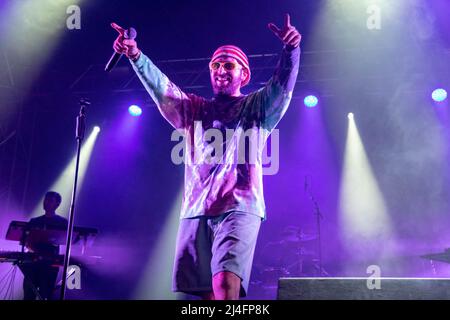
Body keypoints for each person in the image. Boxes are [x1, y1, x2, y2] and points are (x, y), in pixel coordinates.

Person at [111, 13, 301, 300]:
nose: (220, 70)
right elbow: (162, 88)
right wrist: (136, 55)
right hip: (196, 208)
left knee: (225, 285)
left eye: (228, 65)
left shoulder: (257, 107)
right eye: (215, 65)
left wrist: (290, 51)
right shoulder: (194, 109)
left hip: (239, 207)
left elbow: (281, 86)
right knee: (206, 295)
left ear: (244, 75)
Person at [20, 191, 68, 300]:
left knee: (46, 295)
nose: (46, 202)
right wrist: (31, 248)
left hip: (50, 264)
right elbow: (24, 241)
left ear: (57, 204)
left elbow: (66, 239)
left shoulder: (62, 222)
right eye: (45, 199)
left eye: (50, 200)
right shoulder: (34, 221)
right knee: (28, 295)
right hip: (33, 262)